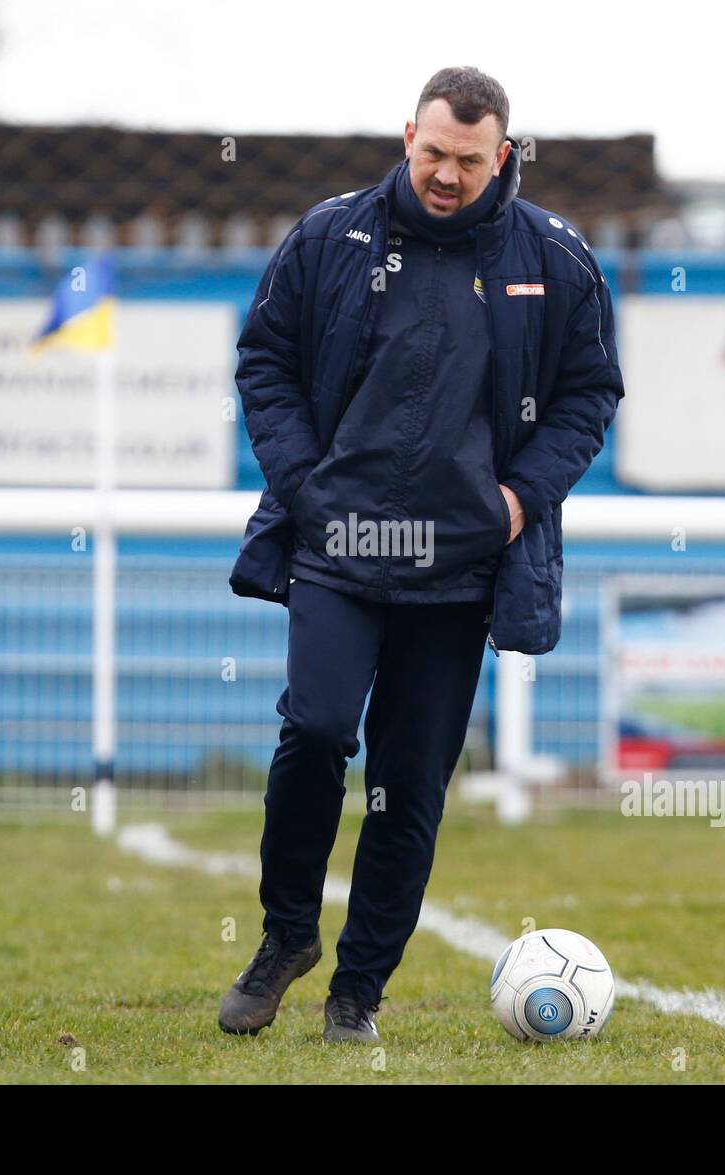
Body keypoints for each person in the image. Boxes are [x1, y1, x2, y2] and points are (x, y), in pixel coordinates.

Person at [221, 66, 624, 1042]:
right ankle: (284, 937)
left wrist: (519, 499)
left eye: (469, 160)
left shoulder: (556, 259)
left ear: (504, 155)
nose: (447, 175)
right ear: (408, 136)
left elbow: (588, 394)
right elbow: (264, 360)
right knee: (314, 730)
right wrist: (306, 483)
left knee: (407, 786)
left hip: (458, 568)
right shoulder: (329, 236)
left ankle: (355, 993)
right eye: (434, 153)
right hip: (340, 542)